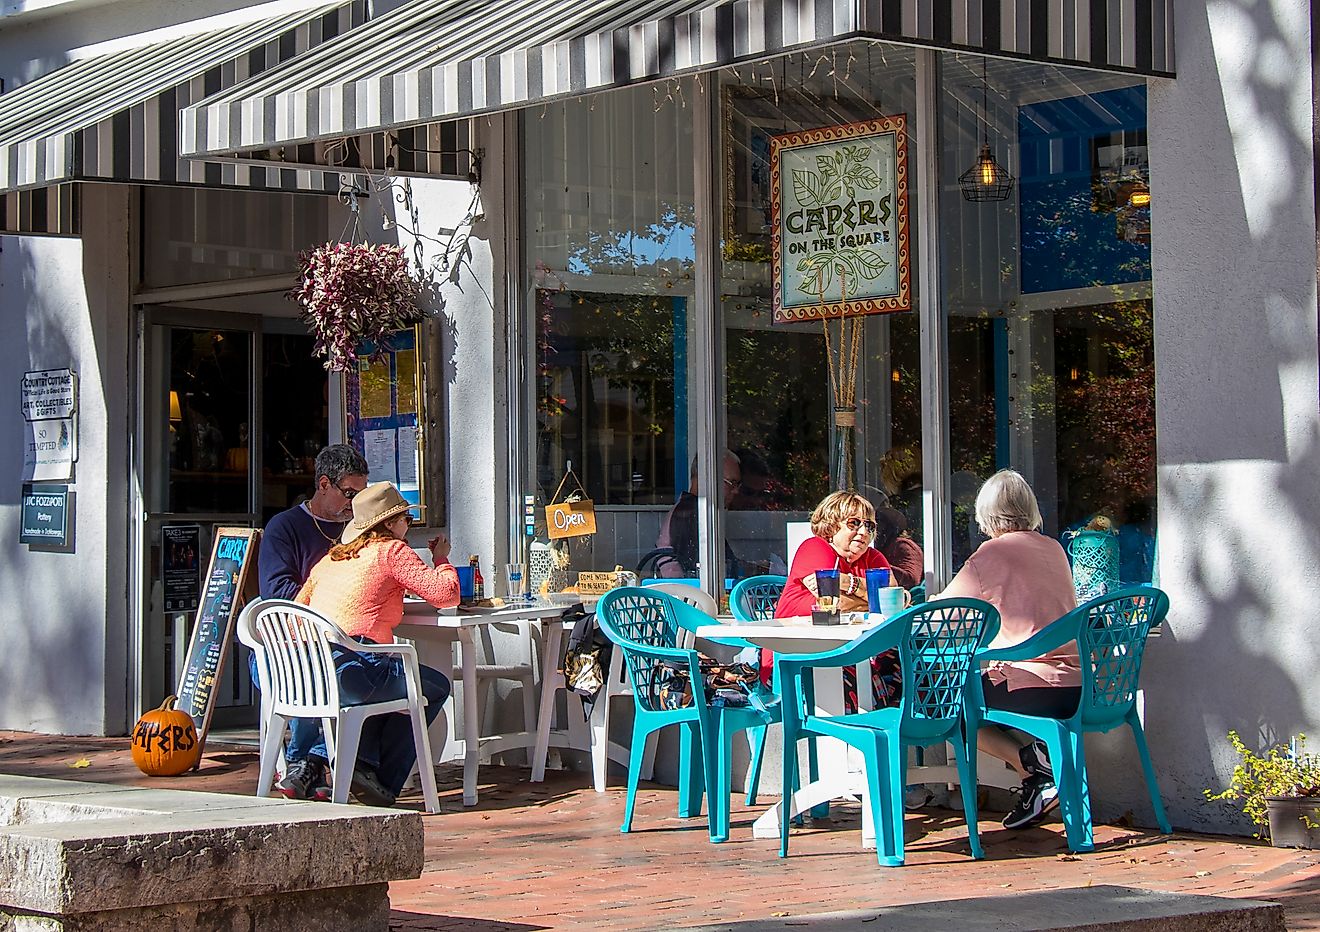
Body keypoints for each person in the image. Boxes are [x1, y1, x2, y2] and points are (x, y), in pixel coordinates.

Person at [296, 482, 458, 807]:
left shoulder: (330, 560)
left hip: (310, 672)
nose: (408, 526)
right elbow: (446, 595)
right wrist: (441, 560)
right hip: (354, 670)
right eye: (406, 519)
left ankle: (363, 766)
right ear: (389, 524)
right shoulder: (391, 551)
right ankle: (382, 781)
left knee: (389, 681)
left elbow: (297, 612)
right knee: (432, 687)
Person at [939, 469, 1080, 830]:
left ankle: (1030, 760)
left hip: (1033, 686)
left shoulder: (990, 554)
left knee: (948, 706)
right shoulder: (1054, 548)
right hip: (1080, 686)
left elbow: (941, 615)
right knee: (968, 695)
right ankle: (1037, 779)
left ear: (985, 514)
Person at [255, 444, 369, 801]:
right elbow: (276, 592)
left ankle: (331, 765)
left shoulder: (360, 532)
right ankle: (307, 761)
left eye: (361, 495)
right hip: (286, 648)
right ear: (323, 484)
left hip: (345, 642)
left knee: (384, 671)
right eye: (349, 494)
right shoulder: (284, 527)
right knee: (320, 670)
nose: (355, 504)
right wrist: (337, 594)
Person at [771, 491, 897, 708]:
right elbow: (831, 604)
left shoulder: (873, 557)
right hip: (800, 656)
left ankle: (901, 731)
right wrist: (872, 598)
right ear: (831, 525)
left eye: (869, 526)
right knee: (854, 674)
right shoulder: (815, 547)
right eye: (854, 523)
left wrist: (848, 583)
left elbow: (896, 600)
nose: (863, 531)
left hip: (851, 652)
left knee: (905, 663)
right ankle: (862, 735)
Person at [654, 451, 741, 579]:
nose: (736, 491)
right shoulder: (693, 514)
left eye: (738, 484)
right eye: (732, 483)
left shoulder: (691, 508)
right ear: (707, 477)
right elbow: (706, 572)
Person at [874, 506, 923, 590]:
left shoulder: (903, 545)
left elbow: (912, 579)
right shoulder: (884, 547)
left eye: (878, 524)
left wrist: (876, 567)